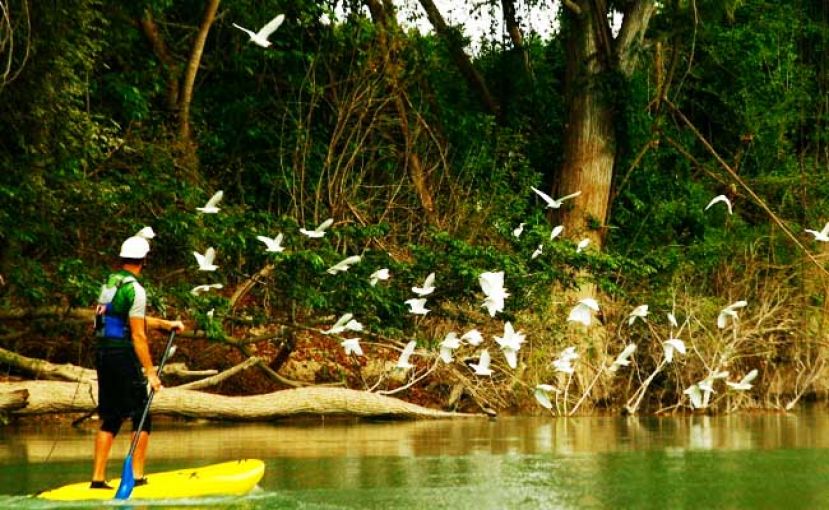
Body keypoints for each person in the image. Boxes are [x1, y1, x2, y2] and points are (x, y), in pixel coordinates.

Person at [90, 235, 184, 489]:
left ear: (123, 258)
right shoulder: (136, 289)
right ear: (144, 260)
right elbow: (138, 335)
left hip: (103, 353)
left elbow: (125, 319)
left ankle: (97, 479)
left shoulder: (110, 283)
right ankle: (137, 477)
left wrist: (164, 325)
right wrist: (151, 374)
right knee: (142, 412)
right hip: (122, 354)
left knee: (111, 416)